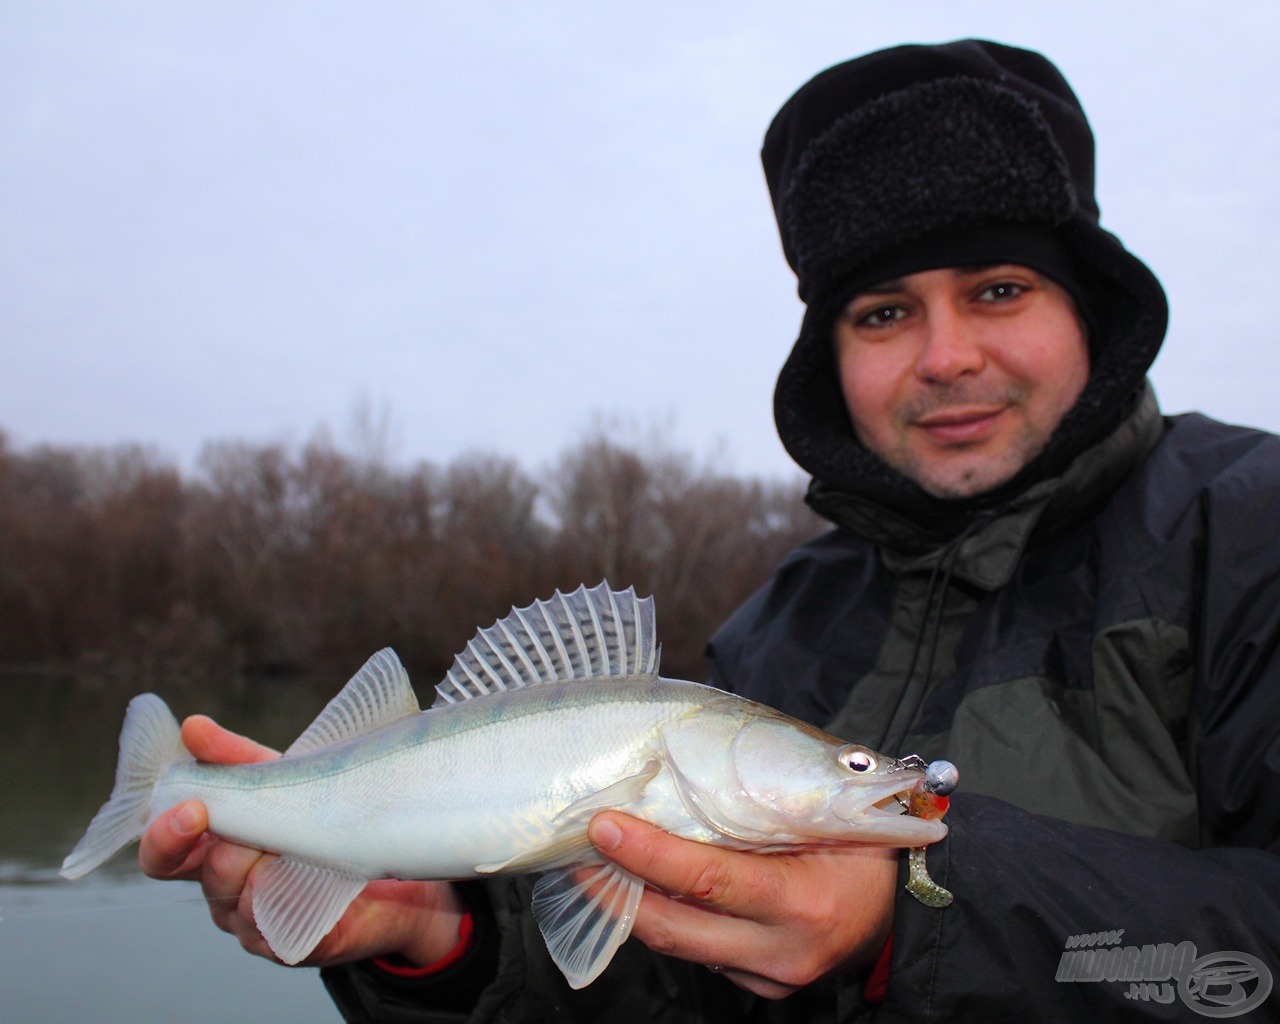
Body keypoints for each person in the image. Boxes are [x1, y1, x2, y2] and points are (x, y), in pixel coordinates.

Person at [140, 39, 1280, 1022]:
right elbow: (667, 990)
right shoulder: (775, 630)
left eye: (996, 289)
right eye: (882, 312)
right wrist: (442, 943)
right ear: (828, 358)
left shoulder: (1250, 530)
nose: (943, 356)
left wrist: (920, 911)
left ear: (1087, 300)